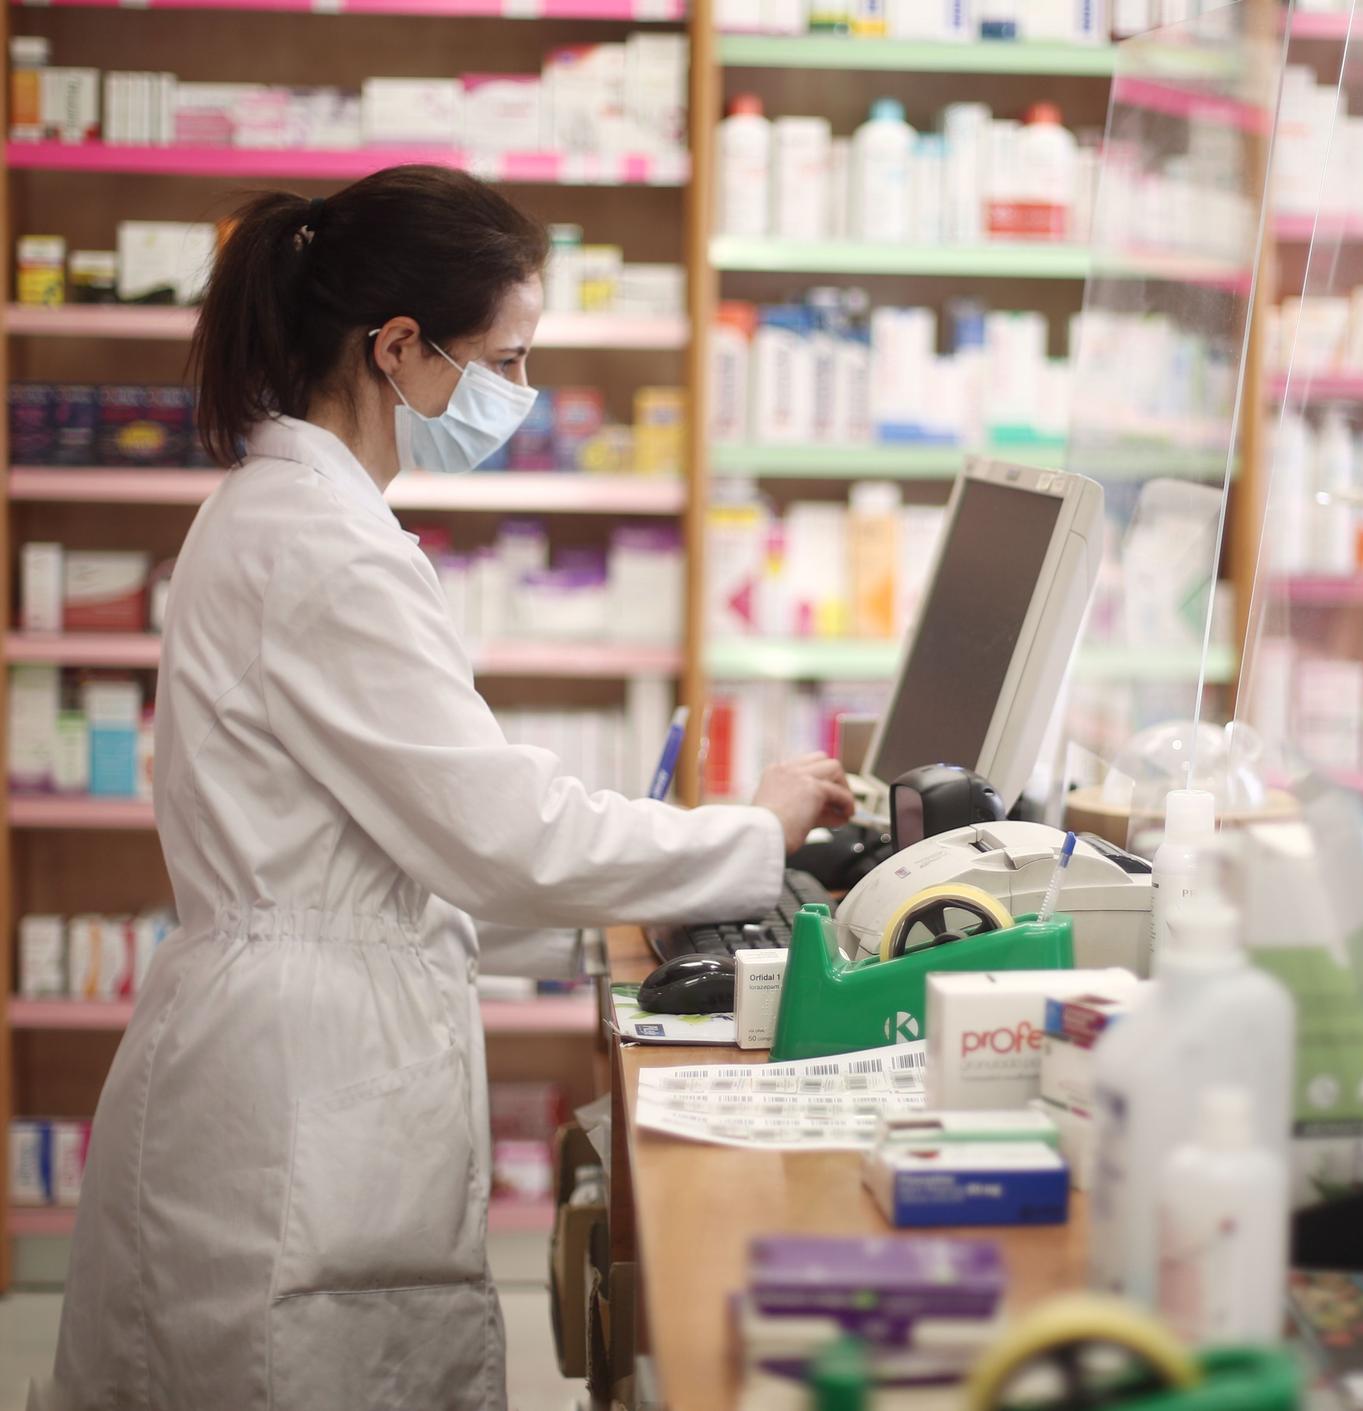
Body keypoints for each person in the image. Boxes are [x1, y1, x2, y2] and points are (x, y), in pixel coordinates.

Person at [41, 166, 853, 1411]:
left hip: (296, 1035)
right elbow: (498, 836)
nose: (519, 398)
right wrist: (747, 836)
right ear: (400, 349)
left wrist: (663, 874)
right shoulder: (323, 548)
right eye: (507, 360)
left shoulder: (298, 516)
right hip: (292, 1090)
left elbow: (412, 856)